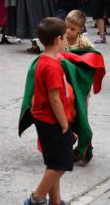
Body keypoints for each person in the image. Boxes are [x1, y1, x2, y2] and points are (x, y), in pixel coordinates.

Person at [24, 18, 73, 205]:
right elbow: (54, 99)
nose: (67, 41)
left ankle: (56, 201)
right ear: (58, 39)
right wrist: (64, 123)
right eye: (66, 37)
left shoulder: (43, 60)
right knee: (61, 164)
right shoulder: (52, 65)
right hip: (52, 121)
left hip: (43, 119)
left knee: (53, 162)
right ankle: (36, 198)